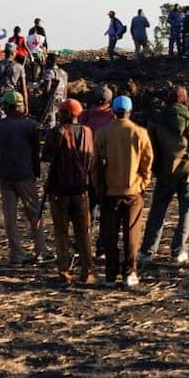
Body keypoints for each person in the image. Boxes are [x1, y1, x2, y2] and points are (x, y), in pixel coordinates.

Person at [141, 86, 189, 265]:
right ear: (185, 100)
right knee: (186, 212)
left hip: (165, 172)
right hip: (187, 172)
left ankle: (148, 251)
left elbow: (150, 147)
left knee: (157, 212)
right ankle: (180, 251)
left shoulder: (156, 121)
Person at [92, 95, 153, 288]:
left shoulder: (103, 133)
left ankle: (110, 275)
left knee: (109, 234)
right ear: (130, 111)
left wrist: (99, 186)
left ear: (114, 111)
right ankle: (129, 272)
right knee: (131, 234)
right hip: (133, 191)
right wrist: (143, 183)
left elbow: (96, 166)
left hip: (109, 191)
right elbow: (147, 162)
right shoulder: (140, 133)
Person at [0, 91, 51, 264]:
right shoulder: (31, 125)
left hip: (5, 175)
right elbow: (36, 151)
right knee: (34, 214)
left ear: (7, 107)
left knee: (10, 217)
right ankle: (41, 252)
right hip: (25, 175)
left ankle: (16, 254)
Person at [43, 98, 96, 285]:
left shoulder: (57, 131)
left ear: (65, 114)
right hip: (81, 189)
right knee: (83, 232)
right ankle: (87, 272)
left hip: (59, 190)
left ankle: (64, 272)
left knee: (61, 233)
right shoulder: (88, 132)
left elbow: (46, 155)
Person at [79, 85, 116, 258]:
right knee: (107, 210)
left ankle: (84, 243)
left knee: (89, 207)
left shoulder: (85, 117)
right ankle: (102, 246)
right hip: (107, 170)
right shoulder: (114, 118)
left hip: (87, 168)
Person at [40, 53, 68, 128]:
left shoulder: (50, 72)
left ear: (49, 61)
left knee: (50, 124)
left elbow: (47, 89)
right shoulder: (64, 73)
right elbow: (65, 89)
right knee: (60, 124)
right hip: (62, 100)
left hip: (52, 101)